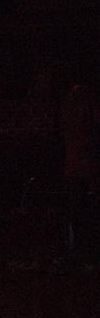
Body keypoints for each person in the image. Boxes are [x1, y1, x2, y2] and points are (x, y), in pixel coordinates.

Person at [60, 79, 100, 261]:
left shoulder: (72, 114)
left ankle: (77, 249)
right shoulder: (81, 116)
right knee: (79, 210)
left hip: (78, 169)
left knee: (77, 210)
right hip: (82, 169)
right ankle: (78, 249)